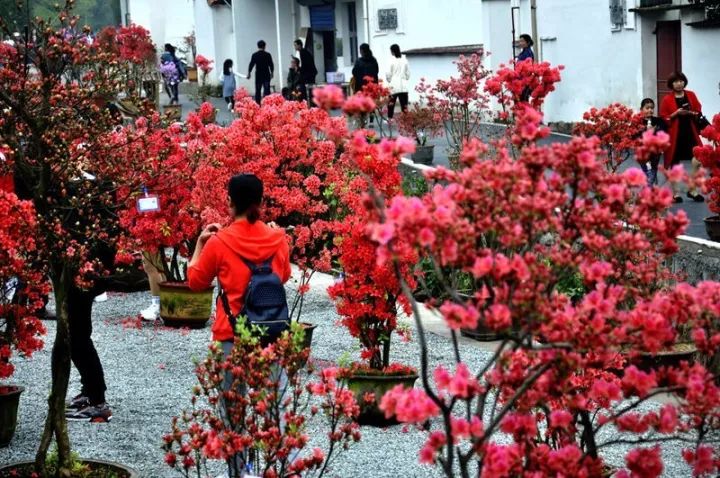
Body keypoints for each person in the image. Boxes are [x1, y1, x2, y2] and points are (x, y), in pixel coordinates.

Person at [659, 71, 705, 203]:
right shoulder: (667, 99)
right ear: (671, 84)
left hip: (691, 132)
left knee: (698, 159)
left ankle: (693, 189)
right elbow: (664, 117)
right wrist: (676, 113)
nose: (679, 84)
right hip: (675, 135)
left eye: (681, 81)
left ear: (684, 82)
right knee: (674, 163)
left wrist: (690, 112)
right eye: (675, 81)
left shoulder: (691, 94)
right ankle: (676, 193)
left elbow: (698, 110)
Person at [637, 98, 667, 187]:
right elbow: (634, 136)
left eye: (652, 108)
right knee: (646, 171)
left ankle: (648, 190)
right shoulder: (637, 122)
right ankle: (648, 190)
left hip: (655, 152)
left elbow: (663, 133)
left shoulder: (659, 121)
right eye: (647, 108)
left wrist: (654, 132)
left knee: (652, 170)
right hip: (642, 151)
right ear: (641, 109)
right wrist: (645, 132)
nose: (650, 110)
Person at [385, 44, 410, 120]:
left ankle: (390, 118)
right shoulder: (405, 60)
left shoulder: (391, 61)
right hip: (403, 85)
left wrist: (389, 80)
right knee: (404, 104)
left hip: (394, 85)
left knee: (391, 103)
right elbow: (408, 73)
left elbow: (388, 73)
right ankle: (406, 119)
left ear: (392, 51)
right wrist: (405, 78)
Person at [247, 40, 274, 104]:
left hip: (258, 75)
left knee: (258, 90)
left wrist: (249, 72)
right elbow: (271, 64)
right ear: (264, 46)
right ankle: (268, 104)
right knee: (267, 90)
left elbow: (251, 64)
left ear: (257, 46)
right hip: (266, 74)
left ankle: (258, 104)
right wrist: (272, 72)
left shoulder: (255, 55)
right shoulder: (268, 55)